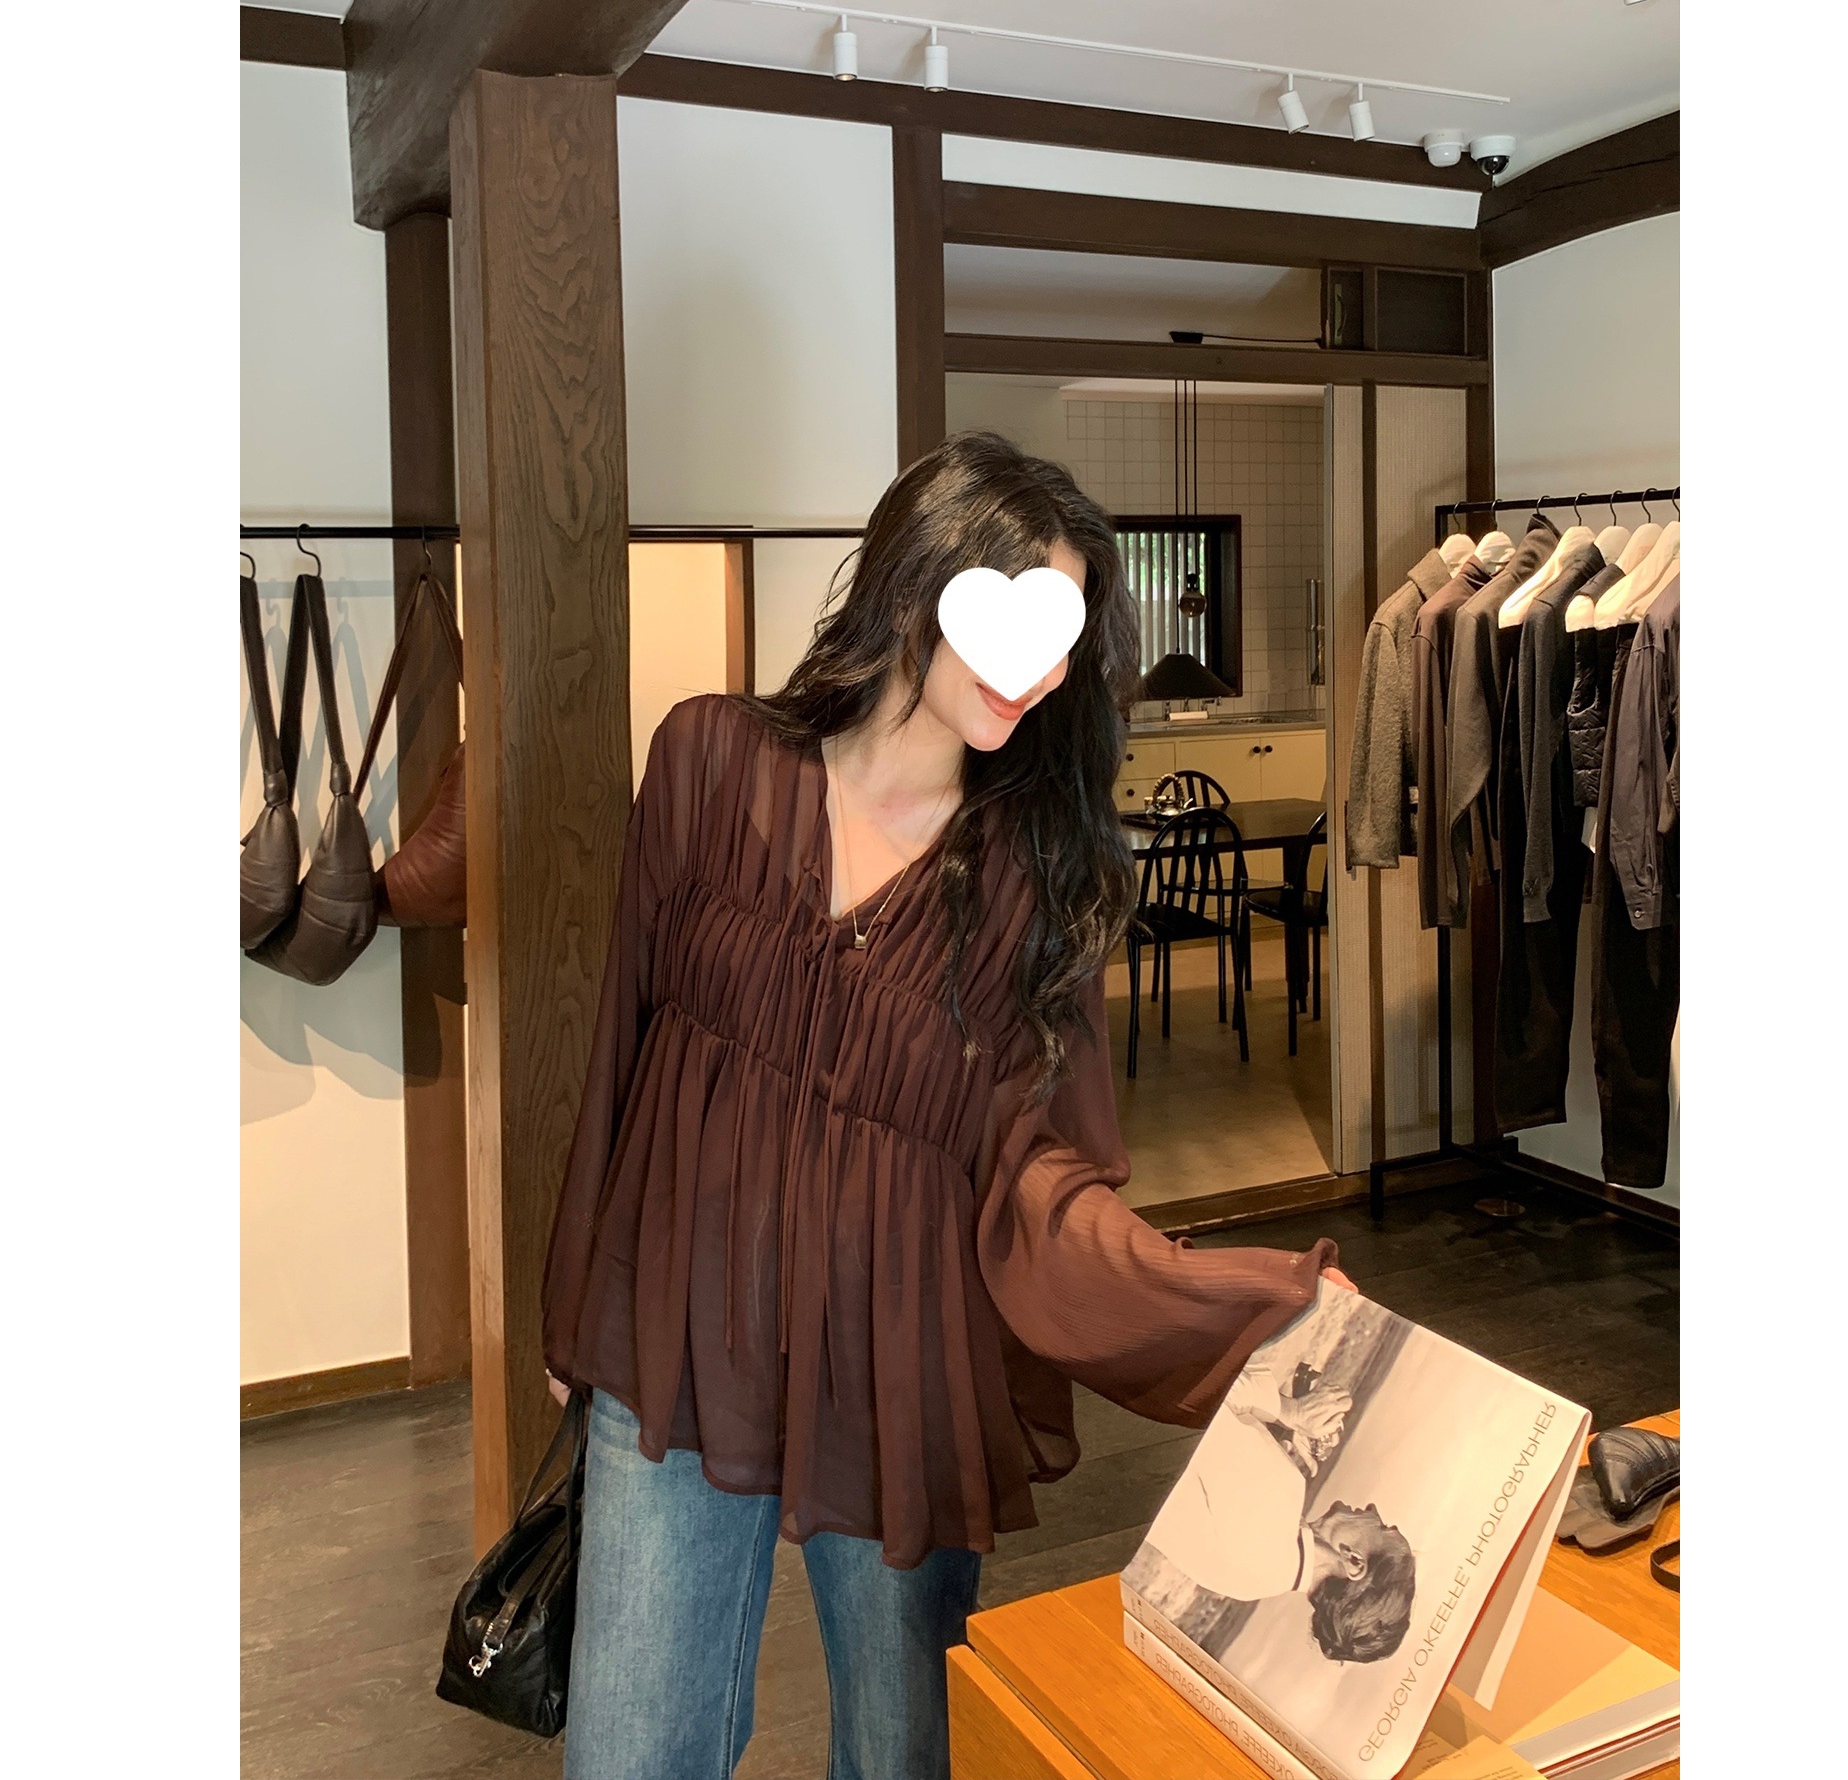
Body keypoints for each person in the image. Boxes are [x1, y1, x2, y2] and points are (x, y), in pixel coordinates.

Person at [541, 432, 1352, 1780]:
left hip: (900, 1359)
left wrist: (1239, 1299)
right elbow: (621, 1043)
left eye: (1063, 636)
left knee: (903, 1753)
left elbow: (1042, 1173)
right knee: (633, 1752)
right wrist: (577, 1305)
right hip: (677, 1326)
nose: (1038, 671)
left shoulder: (1035, 882)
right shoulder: (707, 760)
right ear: (912, 584)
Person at [1141, 1354, 1416, 1665]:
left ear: (1354, 1561)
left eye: (1381, 1527)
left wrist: (1292, 1411)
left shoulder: (1278, 1499)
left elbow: (1193, 1392)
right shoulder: (1252, 1585)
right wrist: (1278, 1435)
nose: (1373, 1510)